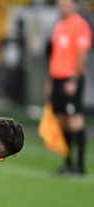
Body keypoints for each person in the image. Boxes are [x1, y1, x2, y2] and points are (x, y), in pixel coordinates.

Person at [47, 0, 91, 176]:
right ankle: (68, 163)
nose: (61, 5)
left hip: (70, 79)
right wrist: (50, 82)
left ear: (74, 5)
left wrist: (74, 79)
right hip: (57, 79)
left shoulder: (80, 25)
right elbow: (57, 55)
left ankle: (80, 166)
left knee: (75, 120)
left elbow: (82, 55)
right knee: (62, 121)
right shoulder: (60, 25)